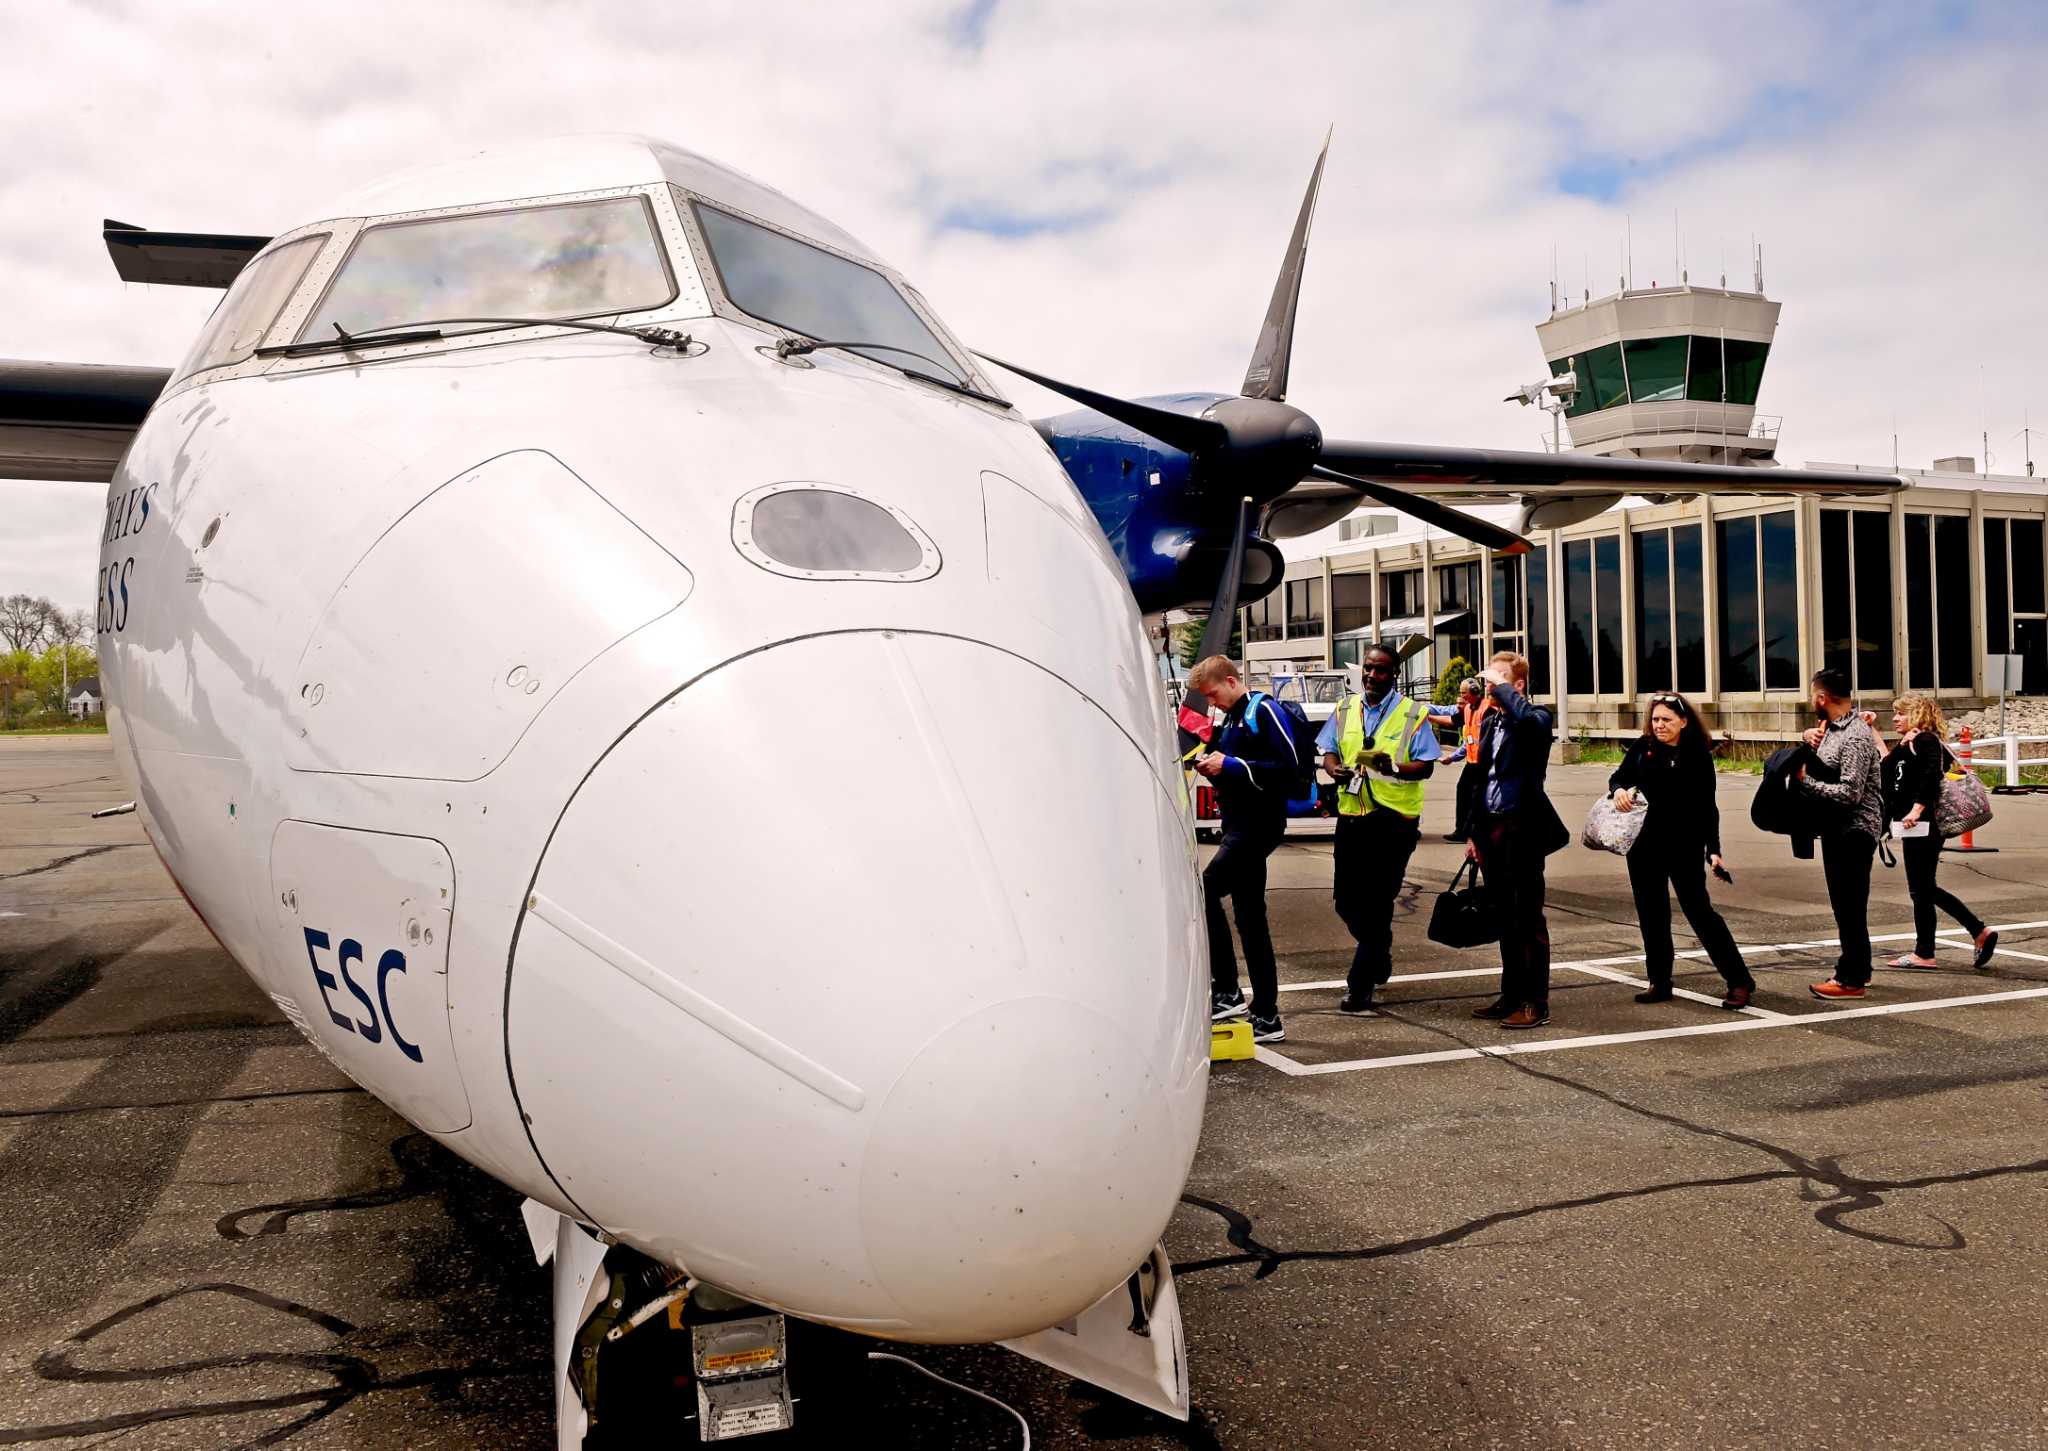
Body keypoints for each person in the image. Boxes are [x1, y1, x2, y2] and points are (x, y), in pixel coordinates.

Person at [1607, 692, 1758, 1009]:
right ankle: (1659, 981)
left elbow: (1707, 807)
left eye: (1666, 719)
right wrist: (1619, 790)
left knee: (1700, 913)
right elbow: (1619, 776)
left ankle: (1739, 981)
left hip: (1684, 847)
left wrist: (1713, 850)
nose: (1659, 725)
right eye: (1655, 719)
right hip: (1643, 846)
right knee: (1651, 914)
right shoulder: (1643, 747)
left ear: (1684, 721)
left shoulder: (1696, 755)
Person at [1316, 644, 1441, 1016]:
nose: (1372, 676)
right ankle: (1379, 946)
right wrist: (1333, 768)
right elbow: (1329, 750)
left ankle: (1360, 986)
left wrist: (1395, 770)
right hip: (1353, 815)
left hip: (1393, 821)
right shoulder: (1344, 708)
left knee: (1377, 901)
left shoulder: (1412, 714)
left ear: (1394, 675)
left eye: (1381, 671)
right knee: (1345, 901)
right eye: (1368, 669)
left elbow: (1427, 765)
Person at [1188, 656, 1299, 1042]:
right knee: (1251, 917)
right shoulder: (1230, 718)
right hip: (1238, 824)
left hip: (1258, 825)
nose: (1213, 702)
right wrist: (1210, 762)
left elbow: (1292, 768)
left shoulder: (1262, 710)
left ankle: (1228, 990)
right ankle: (1267, 1014)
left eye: (1214, 694)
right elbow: (1224, 757)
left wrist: (1232, 766)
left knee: (1205, 891)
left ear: (1232, 681)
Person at [1464, 651, 1569, 1028]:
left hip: (1522, 831)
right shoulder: (1491, 722)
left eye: (1499, 679)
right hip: (1491, 829)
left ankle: (1535, 1002)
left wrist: (1503, 687)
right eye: (1490, 678)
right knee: (1504, 918)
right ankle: (1511, 994)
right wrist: (1473, 833)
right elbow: (1480, 779)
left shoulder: (1537, 718)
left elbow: (1528, 720)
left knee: (1528, 920)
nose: (1490, 685)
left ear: (1518, 685)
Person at [1878, 693, 1998, 971]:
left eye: (1901, 713)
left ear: (1917, 714)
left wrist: (1916, 810)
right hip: (1915, 825)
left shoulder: (1927, 741)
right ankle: (1977, 932)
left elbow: (1931, 777)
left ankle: (1927, 952)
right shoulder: (1911, 743)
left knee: (1921, 890)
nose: (1895, 718)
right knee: (1923, 889)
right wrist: (1880, 735)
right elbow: (1885, 767)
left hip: (1924, 824)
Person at [1793, 668, 1884, 1000]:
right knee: (1846, 905)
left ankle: (1851, 979)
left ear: (1822, 698)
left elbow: (1850, 793)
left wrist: (1805, 782)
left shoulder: (1856, 735)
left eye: (1811, 695)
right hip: (1836, 828)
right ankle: (1861, 967)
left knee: (1849, 906)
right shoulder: (1832, 730)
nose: (1810, 701)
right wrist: (1808, 740)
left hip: (1855, 830)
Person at [1425, 677, 1487, 842]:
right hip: (1472, 762)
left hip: (1485, 763)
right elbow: (1451, 721)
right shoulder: (1468, 709)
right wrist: (1428, 717)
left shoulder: (1486, 709)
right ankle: (1462, 831)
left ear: (1474, 692)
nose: (1462, 697)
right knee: (1463, 791)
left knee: (1478, 798)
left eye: (1464, 693)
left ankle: (1474, 832)